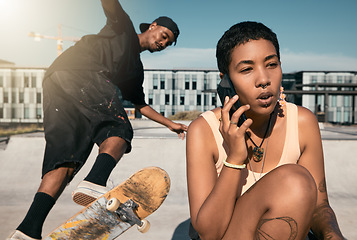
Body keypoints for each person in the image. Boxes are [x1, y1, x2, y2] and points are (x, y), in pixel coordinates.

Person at [8, 0, 187, 239]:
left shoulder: (135, 69)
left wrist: (170, 124)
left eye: (167, 43)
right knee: (119, 127)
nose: (163, 43)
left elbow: (140, 105)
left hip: (57, 83)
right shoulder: (122, 26)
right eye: (163, 35)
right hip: (81, 72)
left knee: (64, 162)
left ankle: (27, 230)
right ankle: (95, 180)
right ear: (152, 26)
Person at [186, 21, 345, 240]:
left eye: (271, 64)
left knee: (295, 183)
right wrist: (235, 157)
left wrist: (332, 235)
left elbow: (319, 206)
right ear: (226, 80)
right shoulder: (203, 130)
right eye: (246, 69)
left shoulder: (302, 122)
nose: (264, 80)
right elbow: (209, 233)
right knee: (293, 180)